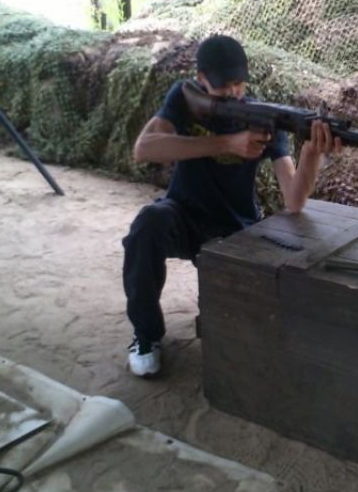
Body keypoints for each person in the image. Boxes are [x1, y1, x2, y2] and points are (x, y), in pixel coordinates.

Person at [123, 34, 340, 377]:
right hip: (182, 216)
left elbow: (294, 200)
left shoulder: (263, 118)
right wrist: (227, 143)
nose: (233, 92)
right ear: (201, 79)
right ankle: (146, 335)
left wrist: (311, 152)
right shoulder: (184, 98)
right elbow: (144, 149)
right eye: (223, 85)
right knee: (148, 222)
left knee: (236, 332)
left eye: (239, 83)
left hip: (235, 229)